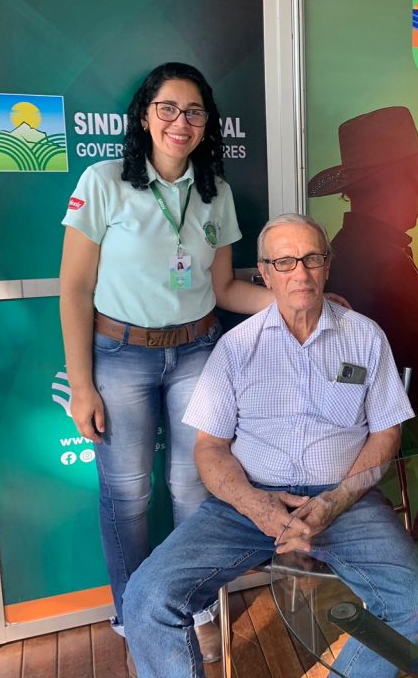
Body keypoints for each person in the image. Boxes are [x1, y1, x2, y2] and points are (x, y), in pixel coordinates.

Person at [123, 214, 418, 678]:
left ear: (328, 265)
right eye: (285, 262)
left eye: (311, 259)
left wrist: (335, 500)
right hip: (246, 502)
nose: (300, 273)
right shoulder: (236, 347)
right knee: (146, 598)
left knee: (416, 602)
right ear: (265, 273)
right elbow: (210, 449)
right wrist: (254, 504)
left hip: (344, 499)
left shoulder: (366, 336)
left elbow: (386, 433)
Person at [58, 62, 274, 659]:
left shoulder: (215, 193)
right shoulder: (104, 181)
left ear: (208, 123)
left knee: (193, 486)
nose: (181, 122)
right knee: (127, 495)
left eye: (194, 111)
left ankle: (193, 605)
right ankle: (136, 618)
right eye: (168, 109)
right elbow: (74, 289)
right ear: (145, 116)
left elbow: (225, 289)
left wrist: (293, 299)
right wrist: (83, 385)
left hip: (197, 352)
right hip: (120, 356)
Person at [308, 106, 418, 416]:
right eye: (416, 180)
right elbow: (371, 371)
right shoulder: (363, 262)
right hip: (398, 426)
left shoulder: (370, 248)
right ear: (390, 185)